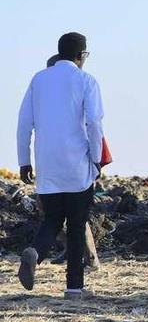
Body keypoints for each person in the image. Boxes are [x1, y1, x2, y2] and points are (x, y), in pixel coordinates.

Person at [16, 32, 104, 299]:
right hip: (77, 166)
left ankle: (36, 252)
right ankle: (74, 288)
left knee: (52, 219)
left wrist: (24, 162)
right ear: (81, 56)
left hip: (47, 165)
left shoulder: (38, 80)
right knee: (77, 225)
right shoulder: (86, 81)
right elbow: (94, 124)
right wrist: (97, 159)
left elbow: (23, 125)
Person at [42, 54, 101, 271]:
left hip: (73, 162)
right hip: (74, 163)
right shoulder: (69, 92)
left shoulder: (63, 93)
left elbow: (91, 125)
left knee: (71, 217)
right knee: (74, 217)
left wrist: (95, 160)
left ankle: (90, 259)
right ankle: (76, 264)